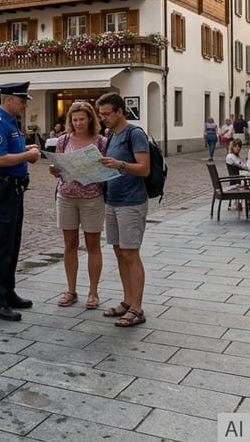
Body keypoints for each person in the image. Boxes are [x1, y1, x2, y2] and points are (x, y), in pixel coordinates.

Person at [0, 81, 40, 322]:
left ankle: (7, 292)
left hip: (14, 191)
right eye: (21, 100)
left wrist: (25, 149)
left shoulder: (10, 123)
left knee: (12, 245)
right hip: (2, 190)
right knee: (0, 247)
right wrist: (27, 155)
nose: (25, 105)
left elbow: (9, 152)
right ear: (8, 100)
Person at [95, 91, 151, 328]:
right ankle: (127, 301)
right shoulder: (111, 135)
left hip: (131, 201)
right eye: (101, 115)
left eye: (107, 114)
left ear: (120, 112)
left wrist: (120, 164)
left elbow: (144, 169)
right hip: (113, 200)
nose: (103, 118)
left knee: (131, 253)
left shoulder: (134, 134)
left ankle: (137, 308)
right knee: (119, 252)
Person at [49, 101, 105, 311]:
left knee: (93, 245)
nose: (78, 123)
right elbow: (57, 166)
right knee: (69, 244)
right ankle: (71, 290)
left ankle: (93, 291)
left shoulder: (100, 141)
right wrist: (54, 170)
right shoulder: (63, 140)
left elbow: (106, 166)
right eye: (75, 119)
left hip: (92, 197)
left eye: (82, 119)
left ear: (90, 119)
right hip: (67, 197)